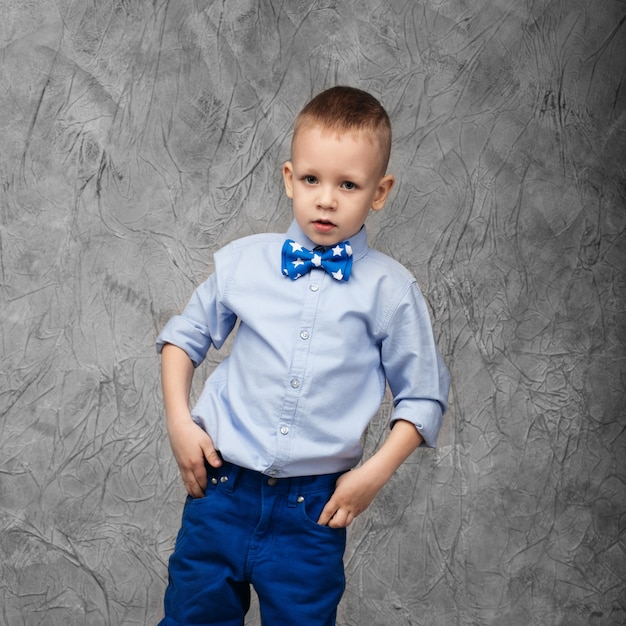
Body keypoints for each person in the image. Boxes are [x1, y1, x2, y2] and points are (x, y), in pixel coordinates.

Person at [156, 85, 450, 626]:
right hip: (221, 490)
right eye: (312, 180)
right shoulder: (244, 262)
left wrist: (372, 475)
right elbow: (184, 337)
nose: (327, 199)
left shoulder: (393, 291)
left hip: (312, 510)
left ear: (379, 192)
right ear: (290, 178)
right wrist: (179, 420)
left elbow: (423, 398)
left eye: (349, 184)